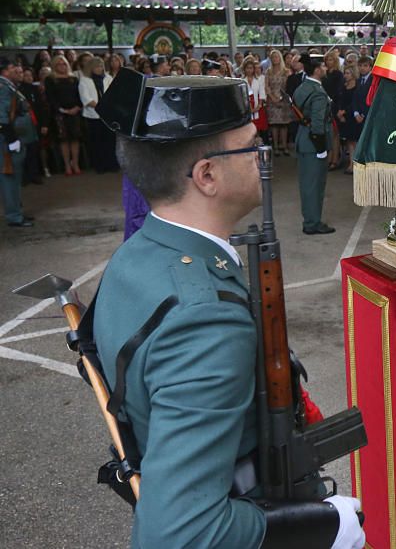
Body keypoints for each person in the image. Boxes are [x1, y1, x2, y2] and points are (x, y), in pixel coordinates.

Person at [92, 69, 365, 548]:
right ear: (207, 175)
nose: (263, 156)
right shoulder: (204, 320)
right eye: (250, 145)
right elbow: (177, 533)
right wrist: (319, 529)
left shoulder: (145, 252)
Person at [293, 54, 336, 235]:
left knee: (307, 184)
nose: (325, 69)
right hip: (313, 143)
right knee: (314, 185)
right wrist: (320, 148)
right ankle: (312, 223)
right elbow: (318, 123)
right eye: (323, 67)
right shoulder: (317, 92)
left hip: (303, 139)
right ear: (317, 70)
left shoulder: (302, 87)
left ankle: (310, 219)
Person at [1, 58, 33, 227]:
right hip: (7, 141)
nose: (17, 70)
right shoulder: (3, 87)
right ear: (5, 70)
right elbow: (2, 117)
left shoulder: (9, 86)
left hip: (14, 137)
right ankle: (14, 215)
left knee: (14, 178)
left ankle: (16, 211)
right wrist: (12, 139)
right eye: (13, 68)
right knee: (9, 178)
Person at [46, 55, 84, 175]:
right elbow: (51, 98)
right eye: (58, 64)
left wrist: (77, 107)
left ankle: (76, 164)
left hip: (75, 112)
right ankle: (67, 166)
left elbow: (79, 95)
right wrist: (63, 110)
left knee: (75, 139)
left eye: (64, 64)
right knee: (64, 140)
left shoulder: (74, 79)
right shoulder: (50, 79)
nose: (62, 66)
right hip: (60, 114)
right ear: (54, 66)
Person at [79, 56, 118, 173]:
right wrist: (100, 107)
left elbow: (113, 93)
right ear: (91, 68)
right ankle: (99, 165)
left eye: (101, 66)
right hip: (93, 116)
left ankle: (112, 164)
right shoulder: (84, 80)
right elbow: (86, 98)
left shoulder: (108, 78)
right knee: (97, 142)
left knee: (110, 141)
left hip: (108, 115)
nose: (100, 68)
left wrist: (108, 107)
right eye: (97, 66)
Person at [264, 50, 293, 156]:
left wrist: (281, 98)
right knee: (274, 125)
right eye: (273, 57)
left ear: (280, 58)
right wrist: (272, 97)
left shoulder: (286, 71)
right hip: (271, 100)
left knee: (284, 125)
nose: (275, 59)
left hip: (284, 100)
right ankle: (275, 146)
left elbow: (289, 87)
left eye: (276, 57)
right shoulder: (268, 71)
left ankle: (284, 146)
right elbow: (266, 86)